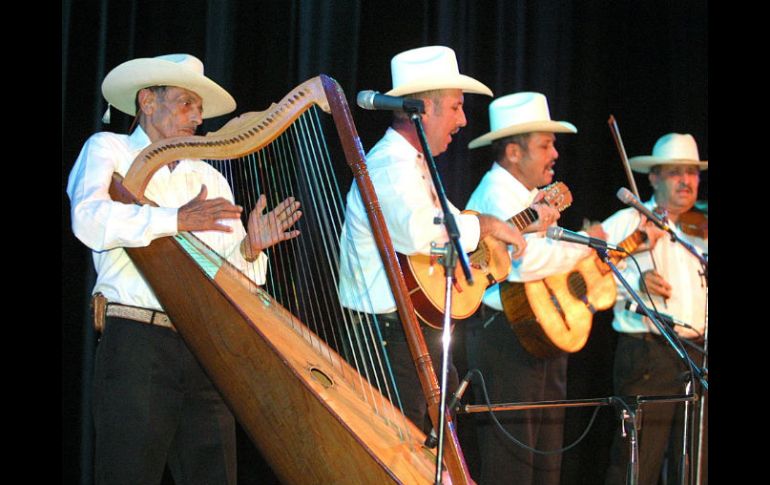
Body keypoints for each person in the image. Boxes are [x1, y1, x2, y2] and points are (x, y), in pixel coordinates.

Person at [67, 53, 302, 485]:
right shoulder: (109, 149)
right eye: (185, 103)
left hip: (204, 348)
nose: (196, 117)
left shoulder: (210, 179)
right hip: (137, 343)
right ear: (147, 101)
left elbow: (229, 282)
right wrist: (175, 219)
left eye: (198, 107)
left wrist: (251, 249)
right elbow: (88, 220)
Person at [337, 45, 527, 433]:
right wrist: (490, 226)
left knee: (431, 445)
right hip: (385, 339)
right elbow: (421, 231)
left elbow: (451, 227)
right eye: (456, 107)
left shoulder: (416, 165)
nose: (462, 120)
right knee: (397, 450)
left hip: (410, 331)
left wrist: (517, 225)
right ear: (423, 108)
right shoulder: (390, 164)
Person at [464, 92, 595, 485]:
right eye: (545, 144)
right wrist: (587, 246)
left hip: (536, 335)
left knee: (543, 462)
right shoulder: (495, 195)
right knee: (513, 464)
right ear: (513, 152)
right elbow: (525, 264)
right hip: (505, 340)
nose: (555, 153)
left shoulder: (526, 197)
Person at [601, 133, 708, 485]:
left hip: (694, 355)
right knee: (638, 463)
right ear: (654, 178)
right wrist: (635, 278)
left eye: (691, 173)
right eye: (675, 172)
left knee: (691, 462)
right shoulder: (628, 222)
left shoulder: (698, 229)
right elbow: (592, 275)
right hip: (648, 355)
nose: (686, 181)